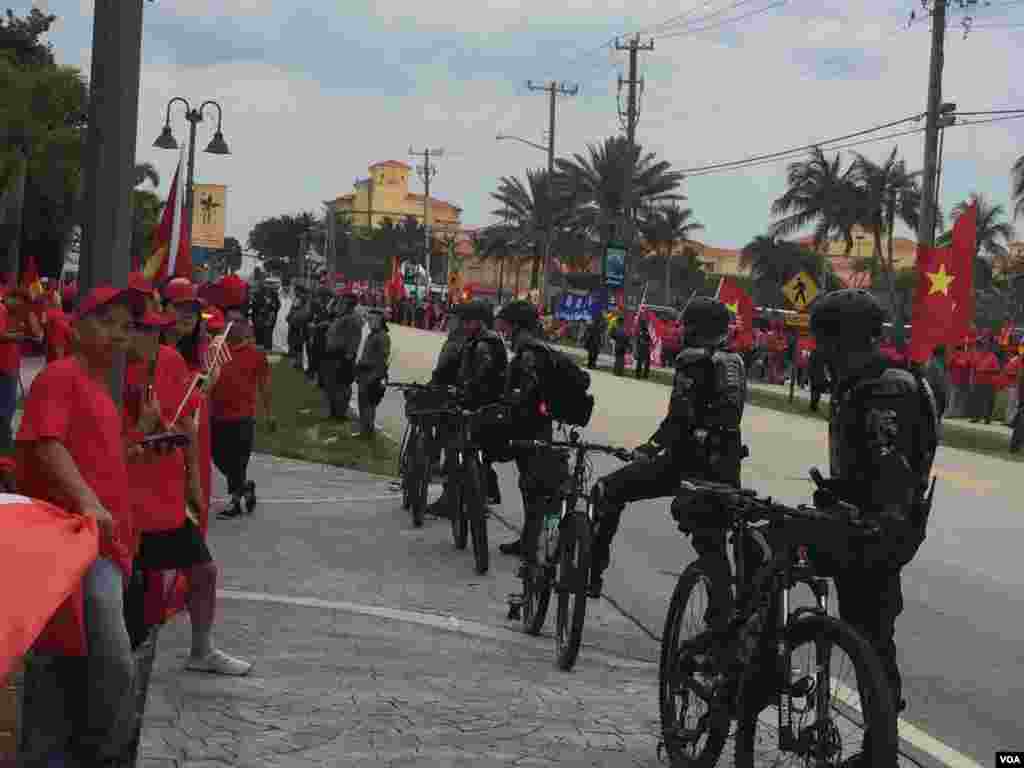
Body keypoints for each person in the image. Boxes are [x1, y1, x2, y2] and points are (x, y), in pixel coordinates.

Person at [15, 284, 154, 765]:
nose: (119, 333)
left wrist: (136, 449)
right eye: (107, 321)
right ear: (76, 327)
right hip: (75, 542)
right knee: (107, 662)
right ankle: (101, 756)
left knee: (74, 662)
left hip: (103, 546)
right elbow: (47, 444)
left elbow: (97, 459)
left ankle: (68, 754)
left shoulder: (98, 391)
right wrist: (90, 502)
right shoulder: (61, 376)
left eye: (126, 325)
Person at [806, 289, 938, 766]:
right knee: (873, 633)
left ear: (840, 341)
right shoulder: (885, 380)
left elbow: (887, 473)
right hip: (883, 528)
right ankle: (880, 739)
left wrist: (846, 505)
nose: (816, 351)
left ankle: (879, 743)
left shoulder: (880, 389)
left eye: (821, 340)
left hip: (871, 531)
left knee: (868, 631)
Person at [586, 297, 747, 597]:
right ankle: (721, 618)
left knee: (608, 490)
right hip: (725, 464)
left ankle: (592, 574)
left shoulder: (692, 360)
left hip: (684, 462)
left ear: (696, 328)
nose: (681, 329)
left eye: (685, 324)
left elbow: (680, 419)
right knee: (711, 543)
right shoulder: (735, 362)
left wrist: (650, 447)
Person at [123, 305, 251, 676]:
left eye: (153, 331)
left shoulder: (169, 361)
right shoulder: (110, 369)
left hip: (164, 492)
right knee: (130, 589)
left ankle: (201, 649)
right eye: (140, 329)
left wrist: (194, 482)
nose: (149, 338)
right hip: (125, 498)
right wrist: (142, 430)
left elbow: (185, 423)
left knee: (203, 570)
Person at [492, 300, 571, 568]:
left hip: (532, 427)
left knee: (535, 487)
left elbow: (528, 391)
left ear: (515, 323)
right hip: (535, 425)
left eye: (503, 320)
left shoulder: (528, 351)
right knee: (531, 485)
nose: (499, 324)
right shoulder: (533, 346)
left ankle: (538, 546)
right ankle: (529, 539)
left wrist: (509, 408)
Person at [427, 300, 508, 519]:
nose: (463, 324)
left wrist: (462, 394)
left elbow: (483, 379)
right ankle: (479, 496)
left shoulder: (484, 344)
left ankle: (454, 501)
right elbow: (456, 369)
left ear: (479, 322)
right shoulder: (477, 341)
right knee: (473, 457)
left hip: (478, 409)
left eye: (468, 321)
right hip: (480, 406)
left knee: (457, 454)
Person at [210, 321, 274, 519]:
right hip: (216, 415)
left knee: (238, 461)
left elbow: (265, 385)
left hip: (242, 417)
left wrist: (269, 413)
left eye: (240, 324)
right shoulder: (217, 350)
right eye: (232, 323)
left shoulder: (256, 354)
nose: (235, 327)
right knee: (218, 457)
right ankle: (245, 487)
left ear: (247, 331)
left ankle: (235, 503)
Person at [324, 293, 364, 421]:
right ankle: (334, 412)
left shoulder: (352, 319)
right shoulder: (343, 316)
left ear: (349, 305)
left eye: (342, 302)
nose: (339, 304)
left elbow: (354, 339)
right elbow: (330, 311)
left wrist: (349, 355)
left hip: (343, 357)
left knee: (342, 386)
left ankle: (340, 413)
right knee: (332, 385)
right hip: (334, 355)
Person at [353, 309, 390, 439]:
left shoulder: (382, 337)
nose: (369, 323)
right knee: (363, 404)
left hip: (372, 375)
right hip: (365, 374)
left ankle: (367, 431)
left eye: (373, 320)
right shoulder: (373, 335)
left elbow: (382, 360)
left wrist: (374, 377)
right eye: (369, 320)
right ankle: (364, 429)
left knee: (368, 405)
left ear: (380, 321)